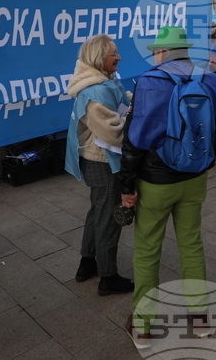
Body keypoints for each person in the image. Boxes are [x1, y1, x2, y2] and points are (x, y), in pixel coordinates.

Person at [120, 26, 216, 348]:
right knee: (191, 244)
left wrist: (126, 182)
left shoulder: (151, 81)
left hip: (156, 180)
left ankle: (144, 326)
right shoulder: (210, 79)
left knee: (148, 250)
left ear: (162, 52)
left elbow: (136, 139)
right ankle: (201, 318)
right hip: (195, 175)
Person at [65, 34, 135, 296]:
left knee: (97, 212)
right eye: (113, 54)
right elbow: (112, 132)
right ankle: (108, 277)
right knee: (108, 218)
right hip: (102, 161)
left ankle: (87, 263)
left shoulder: (103, 82)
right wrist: (138, 117)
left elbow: (118, 103)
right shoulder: (95, 91)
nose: (119, 57)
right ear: (98, 59)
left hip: (101, 159)